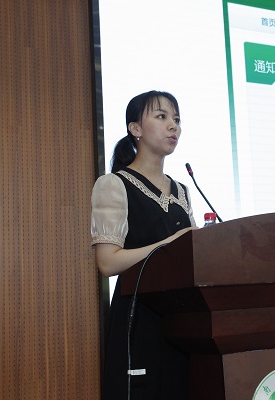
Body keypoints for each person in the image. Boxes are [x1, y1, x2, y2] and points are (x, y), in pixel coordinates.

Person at [91, 90, 197, 399]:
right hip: (139, 321)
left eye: (176, 119)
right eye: (162, 117)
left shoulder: (182, 190)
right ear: (135, 128)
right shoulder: (114, 184)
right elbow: (107, 263)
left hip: (181, 322)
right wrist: (168, 243)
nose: (173, 126)